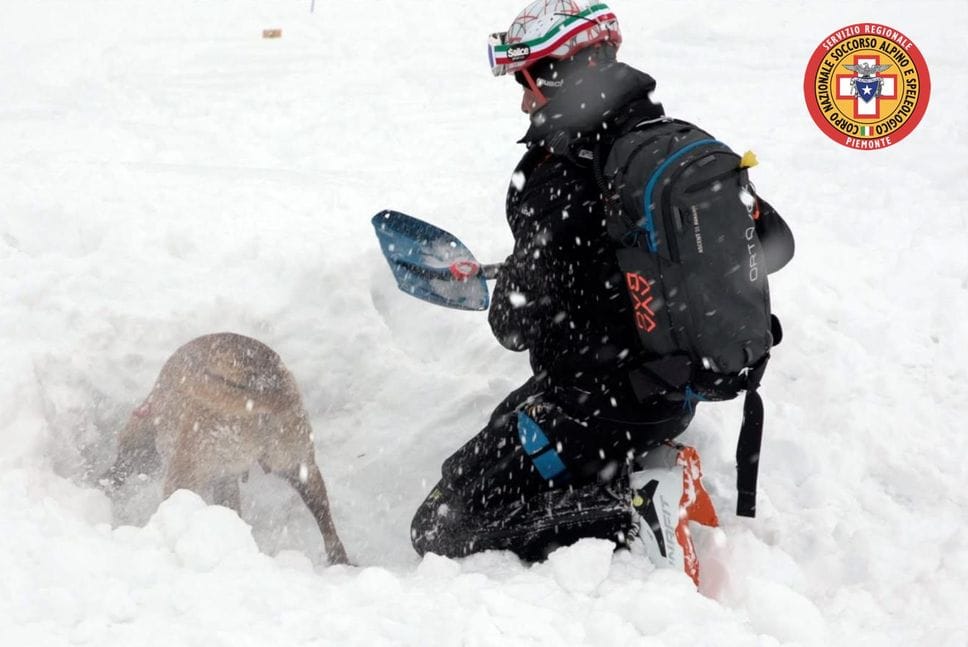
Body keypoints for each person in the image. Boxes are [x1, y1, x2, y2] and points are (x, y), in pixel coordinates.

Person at [410, 0, 794, 566]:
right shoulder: (667, 142)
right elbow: (773, 244)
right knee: (499, 430)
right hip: (668, 389)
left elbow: (514, 326)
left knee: (441, 526)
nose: (523, 99)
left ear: (563, 72)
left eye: (529, 81)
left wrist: (528, 274)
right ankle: (627, 472)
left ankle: (630, 509)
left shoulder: (560, 176)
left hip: (596, 410)